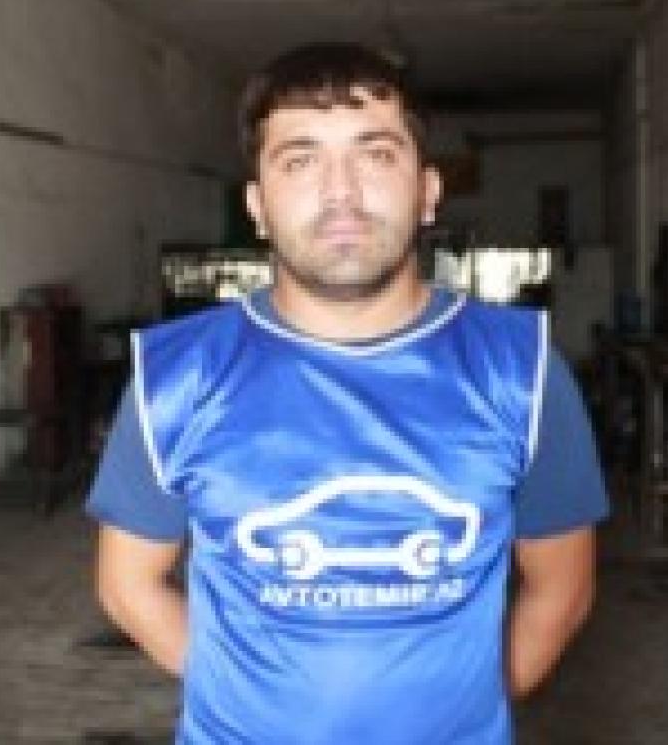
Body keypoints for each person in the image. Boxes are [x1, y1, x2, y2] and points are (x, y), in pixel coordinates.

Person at [86, 42, 609, 744]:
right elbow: (127, 586)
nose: (341, 192)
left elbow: (562, 590)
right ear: (257, 205)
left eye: (376, 154)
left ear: (428, 191)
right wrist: (245, 703)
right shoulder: (175, 376)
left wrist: (464, 710)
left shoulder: (524, 370)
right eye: (300, 160)